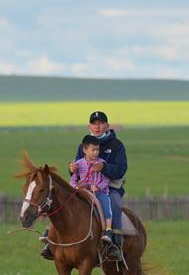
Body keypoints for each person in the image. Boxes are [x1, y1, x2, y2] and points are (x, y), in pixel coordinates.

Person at [41, 110, 129, 260]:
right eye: (94, 124)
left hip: (108, 187)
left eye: (101, 123)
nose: (97, 126)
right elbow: (78, 169)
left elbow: (121, 169)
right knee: (62, 201)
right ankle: (52, 240)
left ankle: (114, 244)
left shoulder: (116, 145)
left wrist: (104, 167)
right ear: (89, 126)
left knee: (114, 202)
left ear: (107, 126)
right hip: (84, 187)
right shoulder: (84, 144)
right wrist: (71, 169)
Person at [69, 135, 120, 260]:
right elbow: (73, 179)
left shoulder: (101, 163)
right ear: (84, 150)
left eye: (97, 150)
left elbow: (105, 180)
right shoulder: (78, 164)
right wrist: (76, 187)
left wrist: (98, 187)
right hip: (82, 192)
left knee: (106, 203)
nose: (96, 152)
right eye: (93, 150)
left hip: (98, 192)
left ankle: (108, 230)